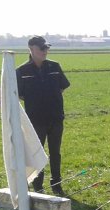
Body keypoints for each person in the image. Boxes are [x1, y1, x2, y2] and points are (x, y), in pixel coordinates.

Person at [16, 36, 71, 196]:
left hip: (55, 117)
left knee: (55, 152)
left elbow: (62, 87)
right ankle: (37, 185)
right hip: (35, 120)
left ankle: (56, 183)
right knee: (36, 153)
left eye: (46, 48)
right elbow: (20, 94)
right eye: (42, 48)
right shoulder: (21, 71)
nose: (45, 51)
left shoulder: (55, 66)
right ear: (31, 49)